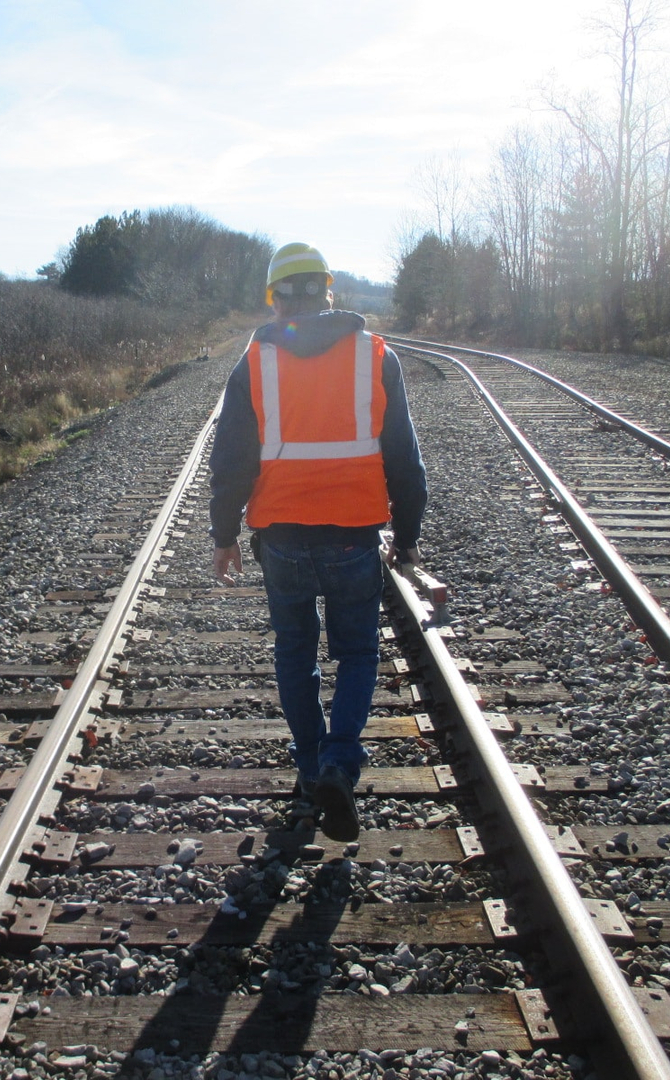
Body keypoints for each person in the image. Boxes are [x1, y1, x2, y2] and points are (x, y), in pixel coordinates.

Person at [208, 242, 427, 842]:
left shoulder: (255, 362)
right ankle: (338, 763)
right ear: (329, 288)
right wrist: (406, 539)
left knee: (295, 653)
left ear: (274, 299)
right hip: (354, 535)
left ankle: (310, 770)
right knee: (357, 653)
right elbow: (404, 460)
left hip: (280, 537)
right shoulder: (375, 357)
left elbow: (230, 461)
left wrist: (224, 534)